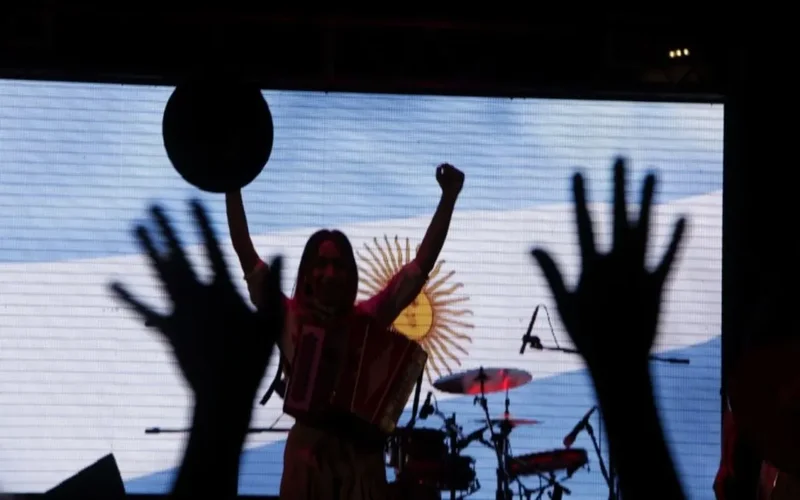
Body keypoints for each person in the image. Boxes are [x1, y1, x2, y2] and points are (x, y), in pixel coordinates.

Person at [225, 163, 464, 500]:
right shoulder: (288, 316)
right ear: (307, 273)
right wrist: (230, 184)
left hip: (361, 466)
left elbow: (418, 268)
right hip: (307, 464)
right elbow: (245, 252)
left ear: (350, 273)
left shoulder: (366, 318)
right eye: (320, 264)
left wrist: (449, 199)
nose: (329, 273)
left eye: (338, 264)